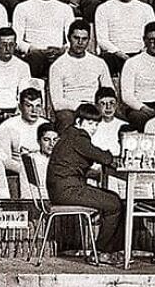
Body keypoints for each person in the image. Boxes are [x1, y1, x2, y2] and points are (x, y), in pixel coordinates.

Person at [46, 102, 123, 266]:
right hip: (67, 190)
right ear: (78, 122)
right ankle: (101, 252)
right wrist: (113, 157)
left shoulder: (69, 135)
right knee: (114, 204)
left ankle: (108, 250)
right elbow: (104, 158)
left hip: (62, 189)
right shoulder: (78, 136)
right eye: (90, 123)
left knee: (114, 198)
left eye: (96, 124)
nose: (93, 128)